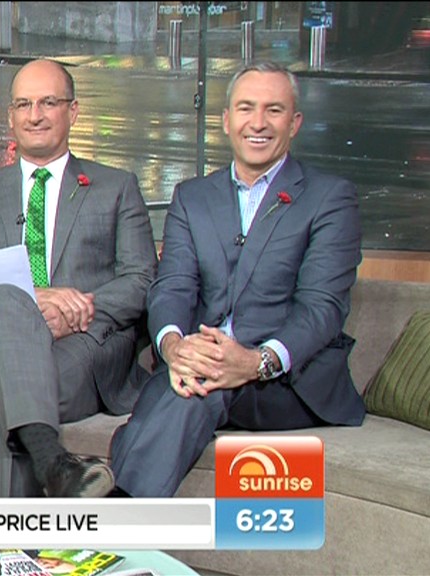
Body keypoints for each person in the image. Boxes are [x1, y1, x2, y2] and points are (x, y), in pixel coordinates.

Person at [109, 61, 365, 497]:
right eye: (246, 108)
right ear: (227, 120)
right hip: (201, 365)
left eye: (274, 110)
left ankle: (115, 513)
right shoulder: (192, 197)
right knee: (192, 380)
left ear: (294, 123)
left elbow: (322, 308)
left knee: (190, 389)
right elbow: (172, 286)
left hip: (284, 382)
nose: (258, 123)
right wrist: (174, 347)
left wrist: (254, 361)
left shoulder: (329, 198)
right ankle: (122, 517)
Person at [0, 59, 158, 498]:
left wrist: (77, 308)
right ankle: (54, 465)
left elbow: (142, 279)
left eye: (48, 102)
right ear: (11, 116)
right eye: (23, 104)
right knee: (4, 299)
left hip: (80, 344)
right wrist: (33, 299)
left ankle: (30, 505)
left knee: (15, 386)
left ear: (73, 111)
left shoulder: (116, 187)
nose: (34, 115)